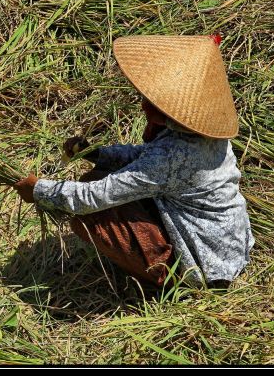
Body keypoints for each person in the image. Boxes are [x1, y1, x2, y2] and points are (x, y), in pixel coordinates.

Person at [14, 35, 254, 290]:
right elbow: (147, 156)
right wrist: (96, 153)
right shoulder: (203, 132)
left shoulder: (173, 158)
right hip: (230, 246)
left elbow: (92, 197)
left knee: (91, 217)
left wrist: (39, 190)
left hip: (207, 265)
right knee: (101, 174)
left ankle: (168, 279)